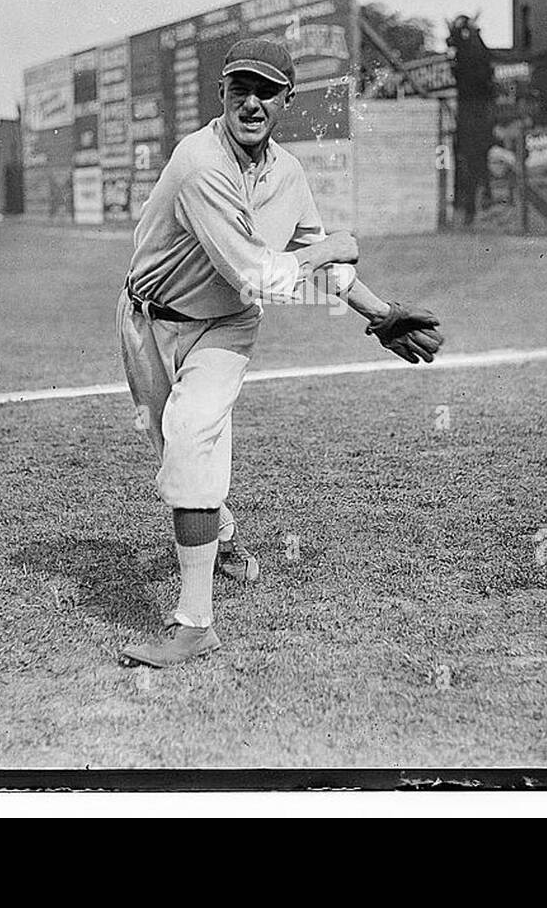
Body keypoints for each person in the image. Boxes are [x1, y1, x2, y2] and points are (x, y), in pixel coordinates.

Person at [116, 38, 444, 668]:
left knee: (189, 434)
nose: (253, 101)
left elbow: (305, 260)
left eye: (267, 90)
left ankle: (195, 624)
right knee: (170, 450)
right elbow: (266, 269)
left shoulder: (289, 174)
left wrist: (377, 313)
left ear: (287, 100)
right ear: (222, 95)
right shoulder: (198, 164)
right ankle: (224, 537)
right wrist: (329, 250)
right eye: (241, 87)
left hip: (225, 326)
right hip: (145, 320)